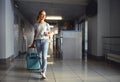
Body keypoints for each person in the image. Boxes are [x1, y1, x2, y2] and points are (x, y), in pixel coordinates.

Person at [29, 10, 51, 80]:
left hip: (45, 41)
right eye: (42, 14)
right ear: (39, 15)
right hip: (38, 41)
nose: (43, 16)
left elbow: (50, 33)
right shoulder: (36, 25)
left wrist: (48, 34)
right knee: (40, 57)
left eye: (44, 15)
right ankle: (41, 68)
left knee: (44, 57)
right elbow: (35, 35)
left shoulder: (47, 24)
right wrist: (33, 43)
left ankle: (43, 73)